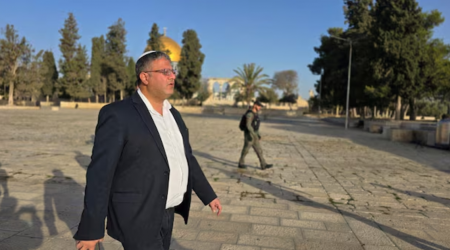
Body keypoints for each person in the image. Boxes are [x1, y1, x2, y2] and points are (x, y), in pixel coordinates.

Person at [73, 51, 222, 250]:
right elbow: (100, 174)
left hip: (167, 212)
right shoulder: (118, 114)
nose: (172, 76)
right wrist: (91, 229)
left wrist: (208, 195)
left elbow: (186, 157)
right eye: (165, 71)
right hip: (137, 215)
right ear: (145, 77)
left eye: (173, 71)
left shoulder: (173, 114)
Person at [238, 100, 273, 170]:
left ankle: (263, 164)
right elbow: (248, 126)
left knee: (259, 150)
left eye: (260, 106)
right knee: (246, 149)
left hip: (254, 135)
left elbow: (255, 126)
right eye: (259, 106)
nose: (260, 107)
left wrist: (258, 135)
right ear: (255, 105)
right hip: (249, 135)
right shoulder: (250, 114)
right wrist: (253, 134)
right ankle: (241, 163)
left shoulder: (255, 113)